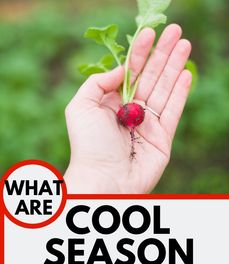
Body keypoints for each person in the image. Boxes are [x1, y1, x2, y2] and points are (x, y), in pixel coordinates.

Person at [64, 24, 192, 194]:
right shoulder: (130, 112)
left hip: (130, 113)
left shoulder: (130, 113)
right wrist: (98, 171)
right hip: (130, 112)